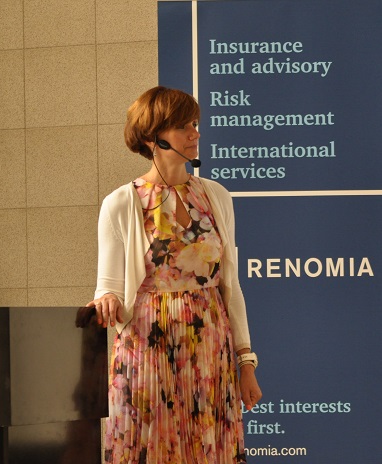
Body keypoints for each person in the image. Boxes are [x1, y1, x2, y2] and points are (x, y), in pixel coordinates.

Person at [88, 86, 262, 464]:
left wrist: (245, 362)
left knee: (209, 449)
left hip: (210, 348)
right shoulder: (122, 202)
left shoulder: (216, 196)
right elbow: (109, 286)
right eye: (184, 126)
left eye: (195, 124)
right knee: (152, 448)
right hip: (146, 348)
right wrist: (107, 300)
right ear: (154, 136)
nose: (195, 133)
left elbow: (230, 287)